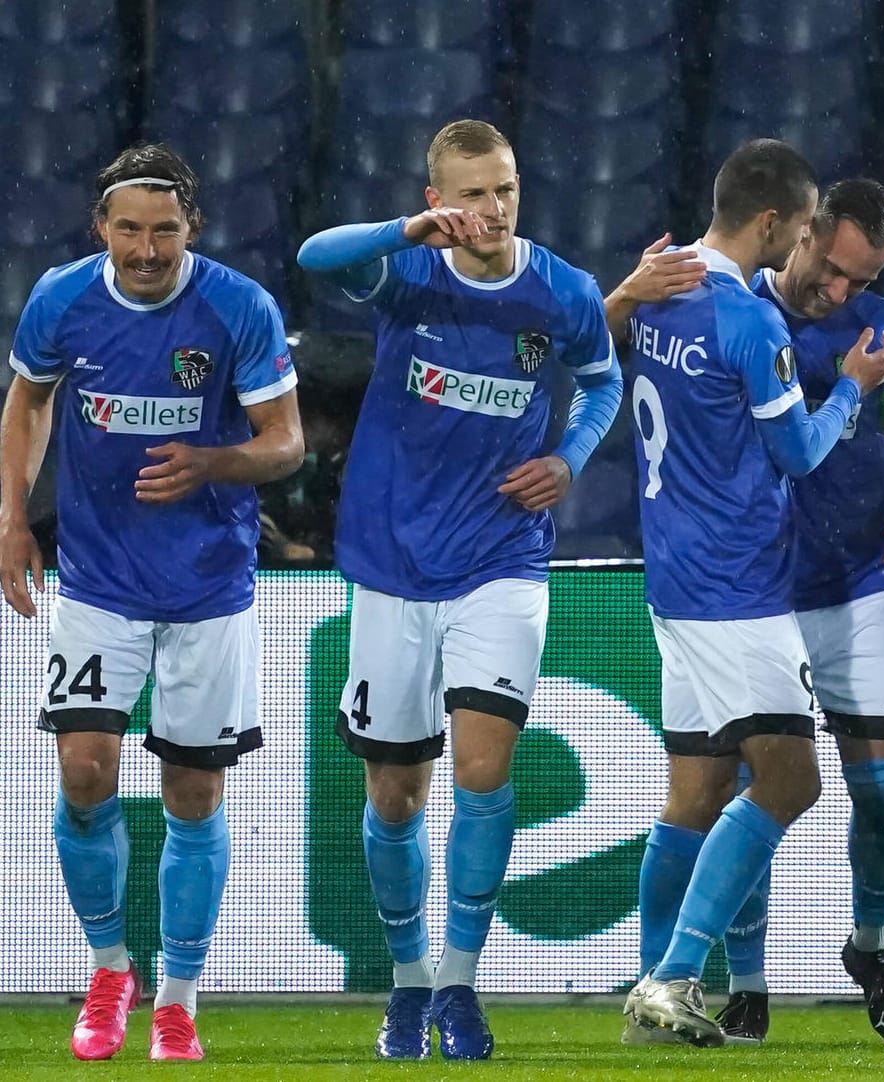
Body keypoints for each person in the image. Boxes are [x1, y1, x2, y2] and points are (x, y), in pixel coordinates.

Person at [296, 119, 623, 1060]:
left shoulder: (562, 288)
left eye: (506, 191)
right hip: (393, 564)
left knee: (484, 772)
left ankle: (457, 984)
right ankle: (404, 982)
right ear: (440, 192)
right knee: (396, 794)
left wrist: (567, 457)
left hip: (502, 558)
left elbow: (600, 382)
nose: (491, 211)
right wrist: (407, 231)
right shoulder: (408, 274)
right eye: (472, 192)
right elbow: (317, 257)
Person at [0, 144, 303, 1061]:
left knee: (193, 794)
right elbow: (28, 403)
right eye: (128, 228)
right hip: (96, 583)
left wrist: (214, 462)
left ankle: (177, 998)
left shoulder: (237, 307)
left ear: (191, 229)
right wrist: (13, 521)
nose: (146, 247)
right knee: (85, 775)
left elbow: (285, 443)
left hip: (210, 586)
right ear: (101, 228)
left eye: (163, 229)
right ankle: (108, 970)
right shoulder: (62, 300)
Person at [620, 138, 884, 1048]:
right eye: (806, 224)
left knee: (697, 792)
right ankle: (672, 978)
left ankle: (652, 986)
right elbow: (801, 454)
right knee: (792, 781)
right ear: (775, 222)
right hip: (733, 587)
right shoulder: (747, 322)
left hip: (672, 575)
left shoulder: (660, 289)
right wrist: (853, 390)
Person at [685, 178, 884, 1045]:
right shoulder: (729, 309)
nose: (838, 292)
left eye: (858, 282)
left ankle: (869, 946)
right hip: (762, 593)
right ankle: (746, 980)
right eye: (829, 269)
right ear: (799, 232)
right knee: (758, 789)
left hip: (858, 581)